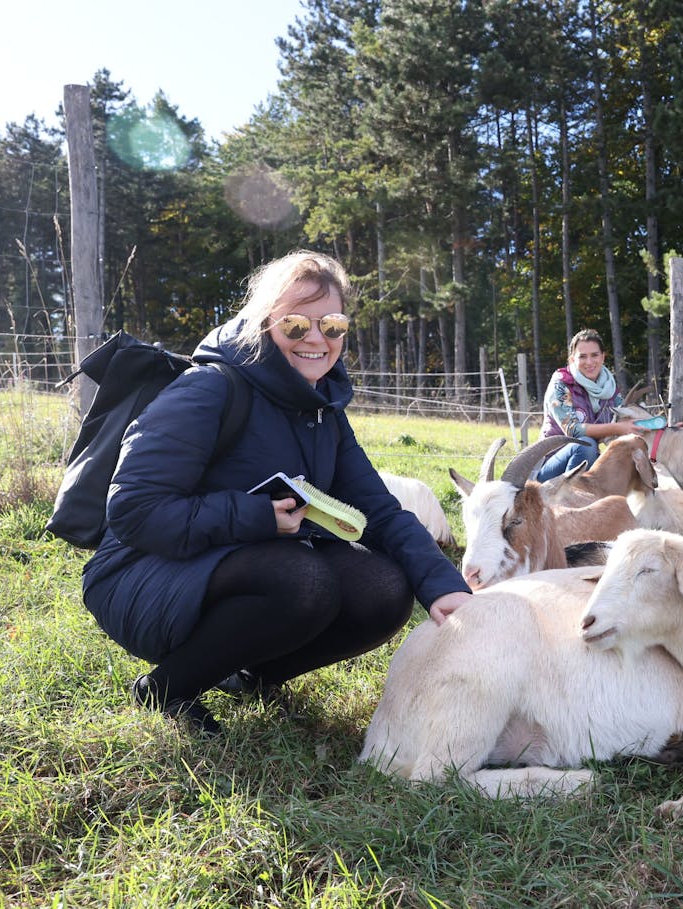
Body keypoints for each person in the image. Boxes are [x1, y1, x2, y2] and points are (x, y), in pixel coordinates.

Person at [81, 250, 472, 735]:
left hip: (244, 565)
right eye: (294, 325)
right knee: (304, 580)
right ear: (264, 324)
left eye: (331, 325)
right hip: (140, 573)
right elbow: (133, 511)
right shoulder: (208, 388)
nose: (315, 339)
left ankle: (248, 676)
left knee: (385, 589)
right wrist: (257, 516)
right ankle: (165, 687)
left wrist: (444, 586)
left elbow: (380, 511)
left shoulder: (323, 410)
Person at [533, 328, 641, 482]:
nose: (589, 362)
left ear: (603, 357)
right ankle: (569, 501)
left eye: (594, 355)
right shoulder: (561, 385)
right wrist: (617, 428)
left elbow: (627, 418)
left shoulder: (609, 387)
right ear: (572, 360)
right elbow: (573, 430)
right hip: (549, 468)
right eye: (582, 356)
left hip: (588, 461)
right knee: (586, 445)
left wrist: (665, 428)